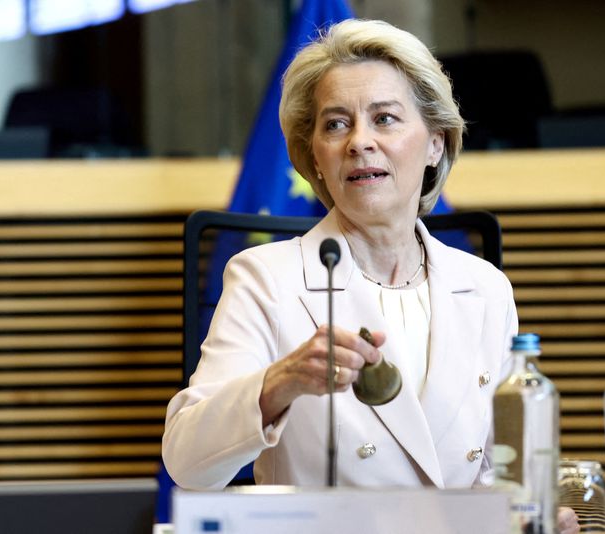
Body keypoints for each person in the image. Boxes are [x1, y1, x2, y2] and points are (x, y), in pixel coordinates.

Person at [162, 18, 578, 534]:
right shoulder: (265, 278)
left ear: (435, 144)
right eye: (336, 124)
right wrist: (281, 382)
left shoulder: (485, 288)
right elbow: (187, 462)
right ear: (314, 157)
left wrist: (533, 513)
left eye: (384, 119)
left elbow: (496, 471)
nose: (359, 141)